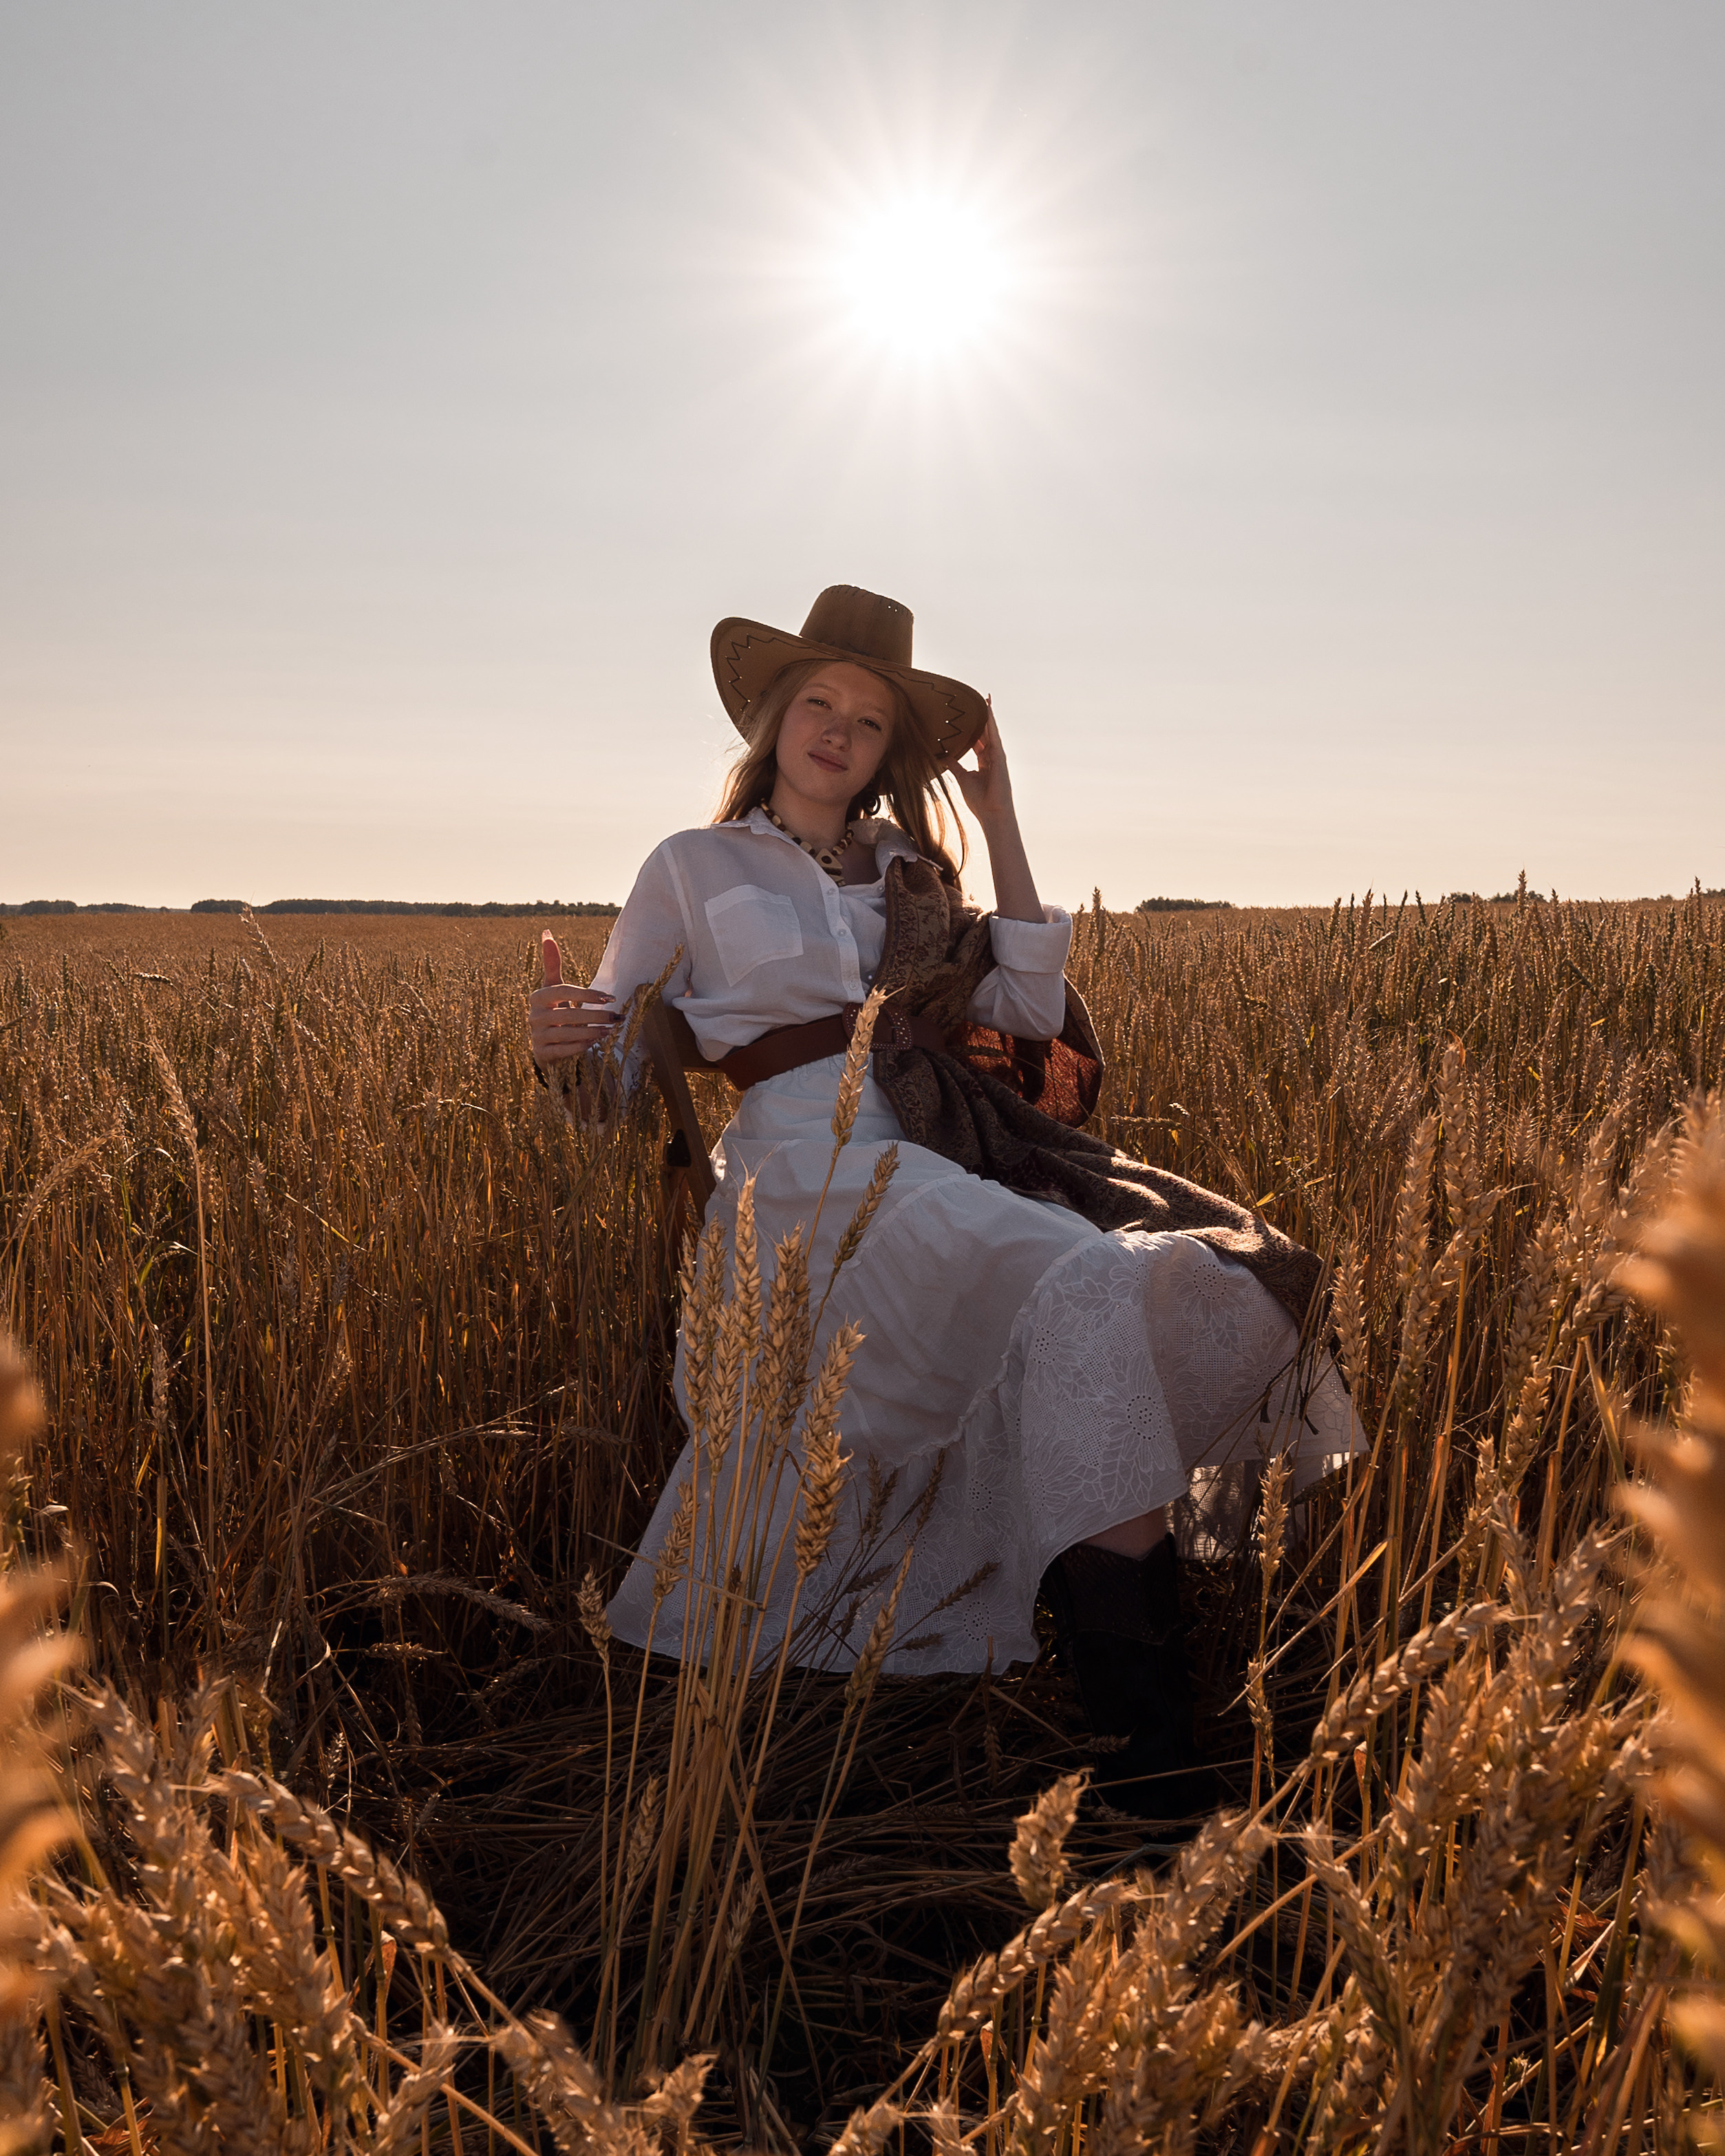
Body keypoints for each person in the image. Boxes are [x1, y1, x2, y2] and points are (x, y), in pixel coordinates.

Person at [529, 585, 1356, 1816]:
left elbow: (1024, 1012)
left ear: (886, 752)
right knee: (1089, 1286)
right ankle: (1151, 1745)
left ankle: (1149, 1745)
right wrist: (561, 1045)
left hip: (923, 1158)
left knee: (1102, 1305)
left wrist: (1003, 819)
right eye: (819, 701)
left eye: (868, 719)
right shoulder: (690, 867)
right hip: (793, 1177)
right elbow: (607, 1084)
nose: (839, 730)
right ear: (772, 716)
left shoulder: (909, 875)